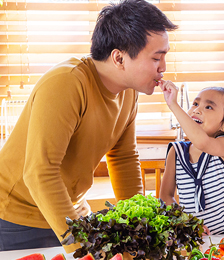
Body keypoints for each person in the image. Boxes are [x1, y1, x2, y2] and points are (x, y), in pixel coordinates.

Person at [0, 0, 177, 252]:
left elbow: (123, 157)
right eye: (156, 58)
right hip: (17, 217)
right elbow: (40, 173)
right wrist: (79, 247)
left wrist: (142, 230)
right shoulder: (67, 84)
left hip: (72, 212)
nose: (163, 67)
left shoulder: (128, 92)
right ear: (119, 58)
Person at [159, 84, 224, 235]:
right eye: (195, 104)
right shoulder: (175, 152)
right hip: (195, 236)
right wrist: (187, 223)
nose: (196, 109)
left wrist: (173, 105)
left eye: (208, 107)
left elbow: (202, 142)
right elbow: (165, 197)